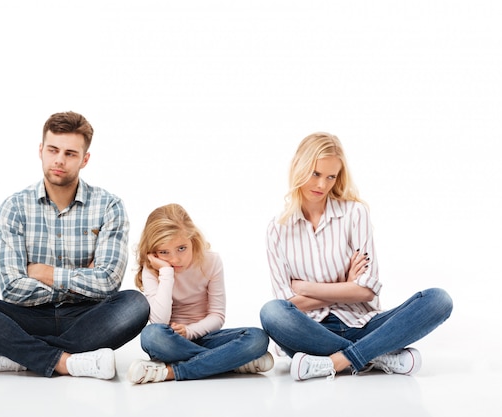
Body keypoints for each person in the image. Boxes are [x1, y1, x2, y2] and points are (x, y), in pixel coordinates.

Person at [0, 111, 150, 379]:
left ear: (85, 159)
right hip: (26, 317)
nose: (59, 159)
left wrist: (44, 273)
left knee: (135, 304)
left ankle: (16, 356)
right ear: (41, 151)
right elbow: (12, 289)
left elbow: (108, 282)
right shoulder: (14, 207)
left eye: (70, 153)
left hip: (85, 318)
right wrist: (81, 280)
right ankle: (67, 361)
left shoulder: (109, 206)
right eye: (53, 150)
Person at [259, 132, 453, 381]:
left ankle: (339, 361)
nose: (322, 185)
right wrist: (346, 287)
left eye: (331, 177)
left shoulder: (355, 214)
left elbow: (365, 292)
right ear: (299, 167)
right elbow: (288, 304)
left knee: (438, 300)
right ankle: (375, 354)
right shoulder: (277, 229)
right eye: (316, 174)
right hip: (311, 331)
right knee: (271, 312)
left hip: (364, 324)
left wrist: (308, 288)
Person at [126, 203, 274, 384]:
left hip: (206, 337)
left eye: (181, 248)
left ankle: (172, 371)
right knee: (151, 335)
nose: (175, 259)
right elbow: (159, 321)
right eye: (164, 252)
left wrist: (189, 331)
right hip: (172, 341)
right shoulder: (153, 269)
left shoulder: (211, 261)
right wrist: (166, 272)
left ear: (192, 239)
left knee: (257, 338)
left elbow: (217, 316)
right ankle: (231, 361)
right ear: (153, 252)